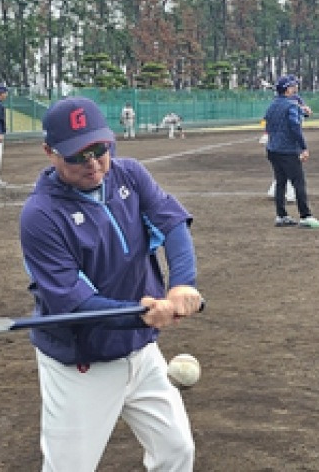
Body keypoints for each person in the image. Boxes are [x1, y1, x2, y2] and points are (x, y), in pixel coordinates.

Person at [19, 96, 203, 471]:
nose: (93, 163)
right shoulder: (40, 216)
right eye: (77, 155)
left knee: (176, 451)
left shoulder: (129, 175)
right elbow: (77, 305)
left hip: (140, 351)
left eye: (100, 149)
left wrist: (183, 283)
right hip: (80, 363)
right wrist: (142, 315)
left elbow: (172, 223)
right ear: (50, 153)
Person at [264, 76, 319, 228]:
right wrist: (303, 148)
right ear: (288, 89)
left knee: (280, 183)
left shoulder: (273, 105)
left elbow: (271, 122)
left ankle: (281, 215)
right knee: (299, 183)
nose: (296, 88)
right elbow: (294, 127)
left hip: (273, 149)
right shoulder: (291, 105)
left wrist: (302, 112)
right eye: (293, 86)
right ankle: (305, 216)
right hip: (288, 151)